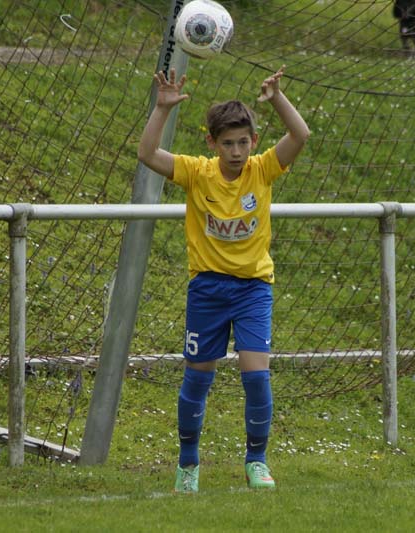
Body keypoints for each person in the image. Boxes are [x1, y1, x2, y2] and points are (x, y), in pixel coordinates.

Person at [137, 65, 310, 493]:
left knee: (256, 376)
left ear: (253, 141)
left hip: (254, 289)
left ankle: (256, 461)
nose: (237, 151)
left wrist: (276, 99)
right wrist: (161, 108)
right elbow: (147, 154)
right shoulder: (197, 172)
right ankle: (188, 464)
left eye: (243, 142)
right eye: (228, 143)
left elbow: (301, 136)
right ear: (212, 143)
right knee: (198, 378)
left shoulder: (263, 170)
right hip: (208, 289)